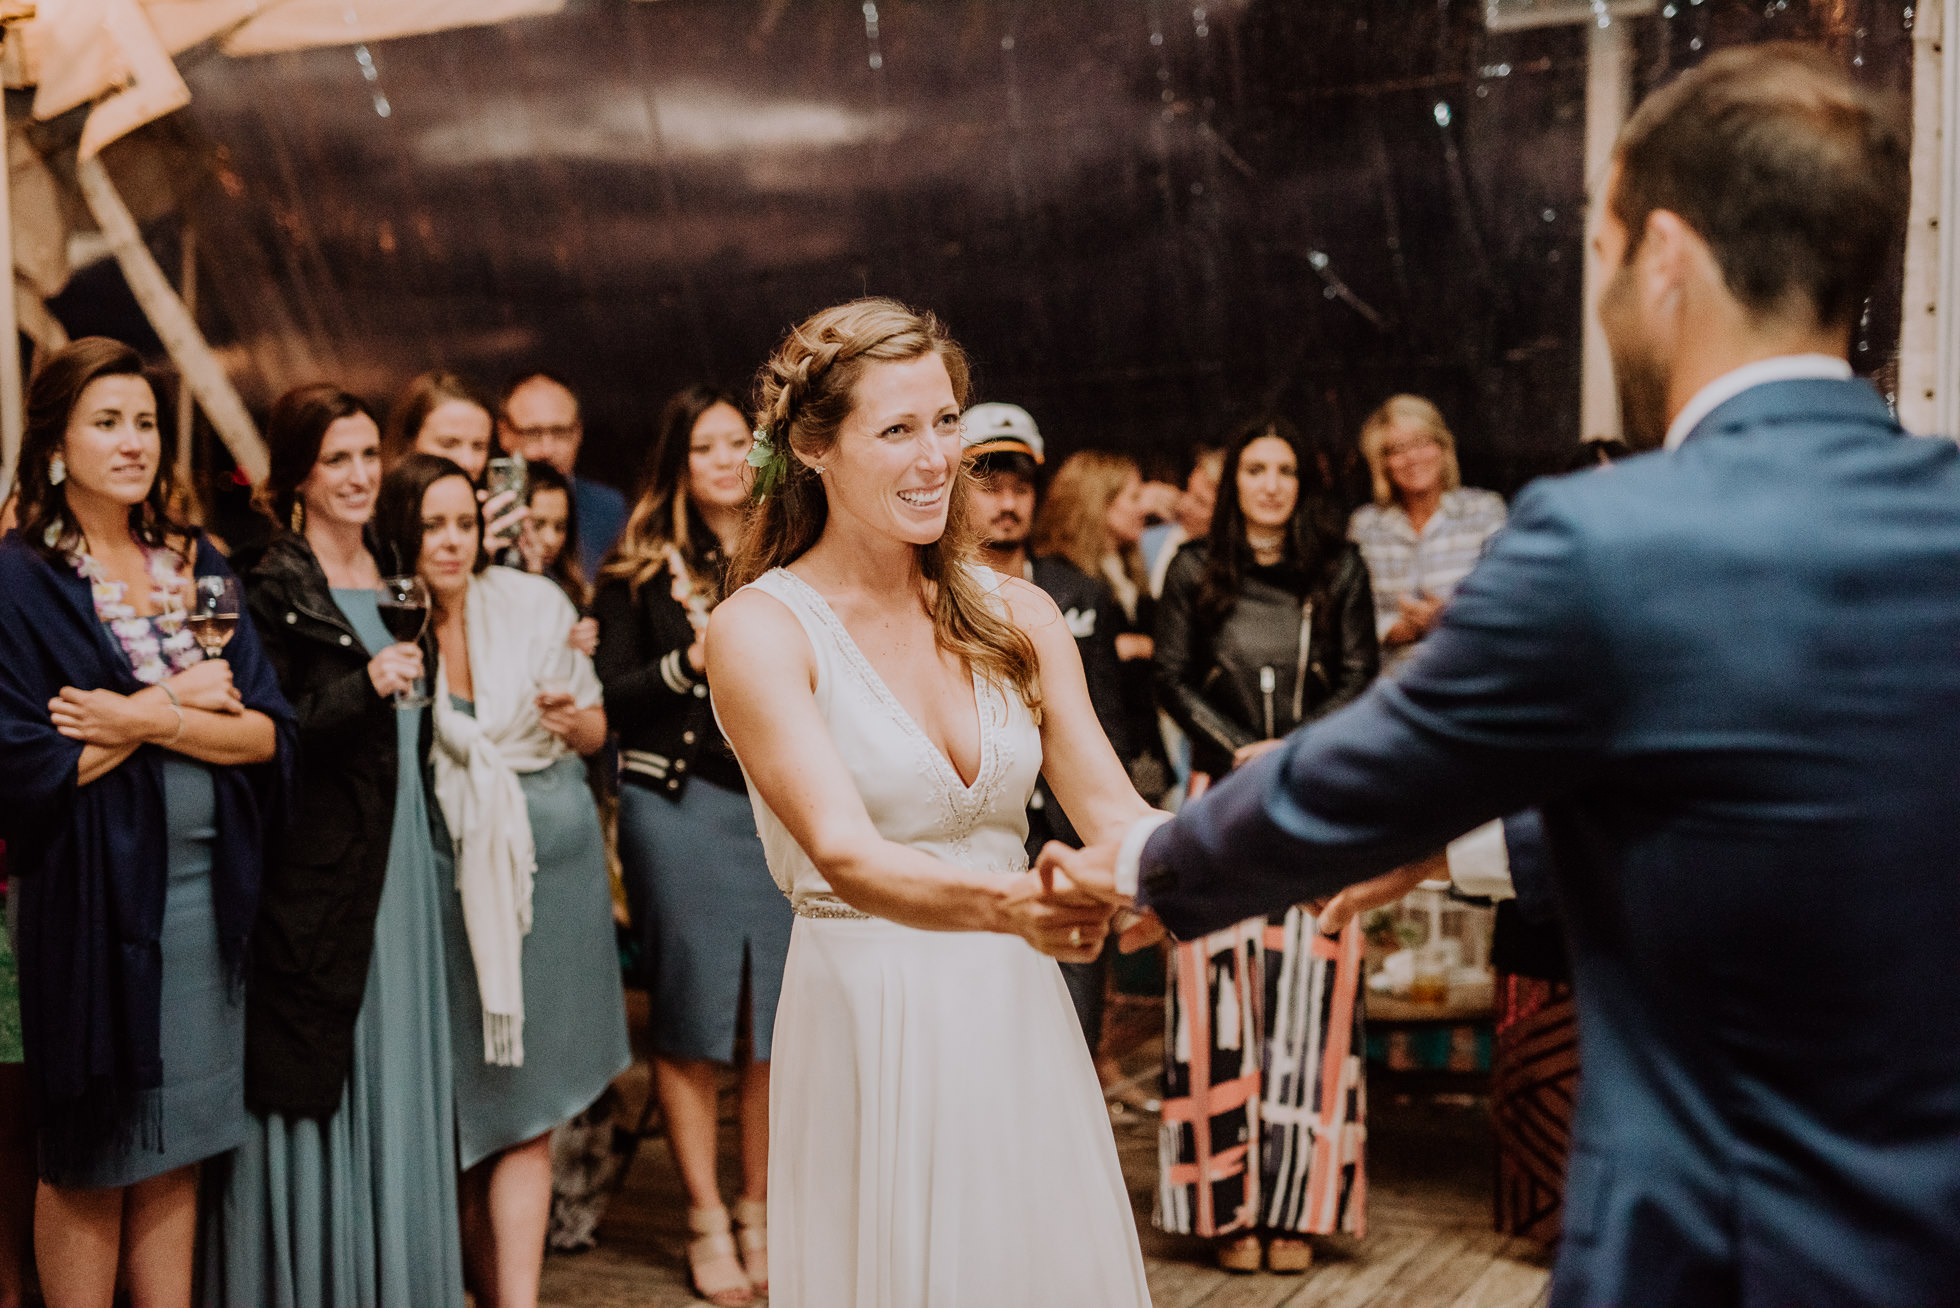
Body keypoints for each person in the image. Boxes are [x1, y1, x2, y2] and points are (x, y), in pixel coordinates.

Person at [1049, 45, 1960, 1307]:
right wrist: (1468, 853)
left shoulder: (1607, 540)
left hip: (1718, 1256)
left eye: (1598, 251)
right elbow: (1765, 785)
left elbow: (1352, 783)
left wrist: (1148, 861)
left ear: (1664, 257)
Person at [706, 298, 1152, 1306]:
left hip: (1017, 1009)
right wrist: (1016, 908)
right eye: (896, 428)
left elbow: (1114, 813)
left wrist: (1212, 863)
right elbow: (844, 853)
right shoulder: (760, 631)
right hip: (872, 1011)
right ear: (814, 445)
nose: (936, 457)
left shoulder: (1020, 614)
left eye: (947, 420)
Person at [0, 337, 291, 1308]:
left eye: (146, 423)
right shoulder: (20, 581)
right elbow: (28, 759)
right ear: (55, 441)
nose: (133, 443)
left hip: (210, 909)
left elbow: (261, 736)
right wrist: (175, 700)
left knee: (183, 1146)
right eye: (107, 422)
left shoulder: (197, 562)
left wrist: (138, 716)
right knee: (92, 1152)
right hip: (89, 910)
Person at [202, 385, 468, 1307]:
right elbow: (261, 737)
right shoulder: (265, 581)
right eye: (337, 460)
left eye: (368, 457)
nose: (359, 476)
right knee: (319, 1072)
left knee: (399, 1077)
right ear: (300, 476)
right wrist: (367, 684)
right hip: (318, 875)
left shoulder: (396, 567)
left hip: (399, 858)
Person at [375, 453, 629, 1308]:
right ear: (400, 529)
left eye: (464, 523)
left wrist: (573, 718)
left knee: (528, 1112)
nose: (451, 542)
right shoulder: (383, 616)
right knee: (456, 1111)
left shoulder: (535, 601)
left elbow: (596, 732)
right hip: (435, 886)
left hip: (550, 884)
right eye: (432, 524)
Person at [1148, 416, 1379, 1272]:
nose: (1272, 484)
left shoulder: (1340, 569)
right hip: (1219, 802)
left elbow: (1362, 675)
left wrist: (1293, 753)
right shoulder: (1193, 569)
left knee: (1312, 1004)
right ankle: (1224, 1211)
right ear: (1235, 482)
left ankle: (1297, 1211)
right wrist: (1243, 751)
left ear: (1302, 484)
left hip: (1317, 799)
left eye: (1286, 469)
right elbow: (1169, 675)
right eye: (1256, 469)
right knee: (1216, 1006)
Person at [590, 384, 788, 1305]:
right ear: (679, 461)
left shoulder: (790, 557)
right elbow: (609, 700)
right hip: (676, 804)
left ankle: (760, 1207)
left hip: (774, 808)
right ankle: (704, 1214)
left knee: (771, 1025)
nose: (725, 459)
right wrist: (688, 660)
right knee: (693, 1018)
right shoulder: (633, 569)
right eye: (706, 445)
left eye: (740, 443)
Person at [961, 401, 1130, 1061]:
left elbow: (1111, 721)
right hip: (981, 846)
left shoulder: (1079, 593)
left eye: (1020, 488)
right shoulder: (926, 598)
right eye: (990, 486)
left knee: (1073, 1033)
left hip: (1070, 844)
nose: (1007, 503)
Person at [1032, 451, 1171, 803]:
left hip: (1143, 753)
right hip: (1093, 762)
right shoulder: (1058, 581)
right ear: (1099, 503)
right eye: (1134, 497)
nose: (1144, 509)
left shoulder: (1129, 576)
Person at [1346, 396, 1506, 674]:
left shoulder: (1485, 513)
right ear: (1383, 463)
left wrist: (1446, 618)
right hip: (1393, 689)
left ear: (1443, 448)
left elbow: (1508, 603)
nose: (1412, 458)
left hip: (1472, 682)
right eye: (1398, 449)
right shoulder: (1365, 527)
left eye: (1422, 442)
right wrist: (1398, 631)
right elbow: (1351, 620)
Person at [498, 371, 629, 576]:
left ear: (578, 433)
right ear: (504, 433)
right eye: (533, 433)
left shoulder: (607, 510)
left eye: (560, 433)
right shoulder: (483, 509)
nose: (547, 450)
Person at [1142, 442, 1225, 598]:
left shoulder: (1228, 559)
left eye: (1200, 502)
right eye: (1187, 490)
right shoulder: (1150, 541)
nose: (1185, 504)